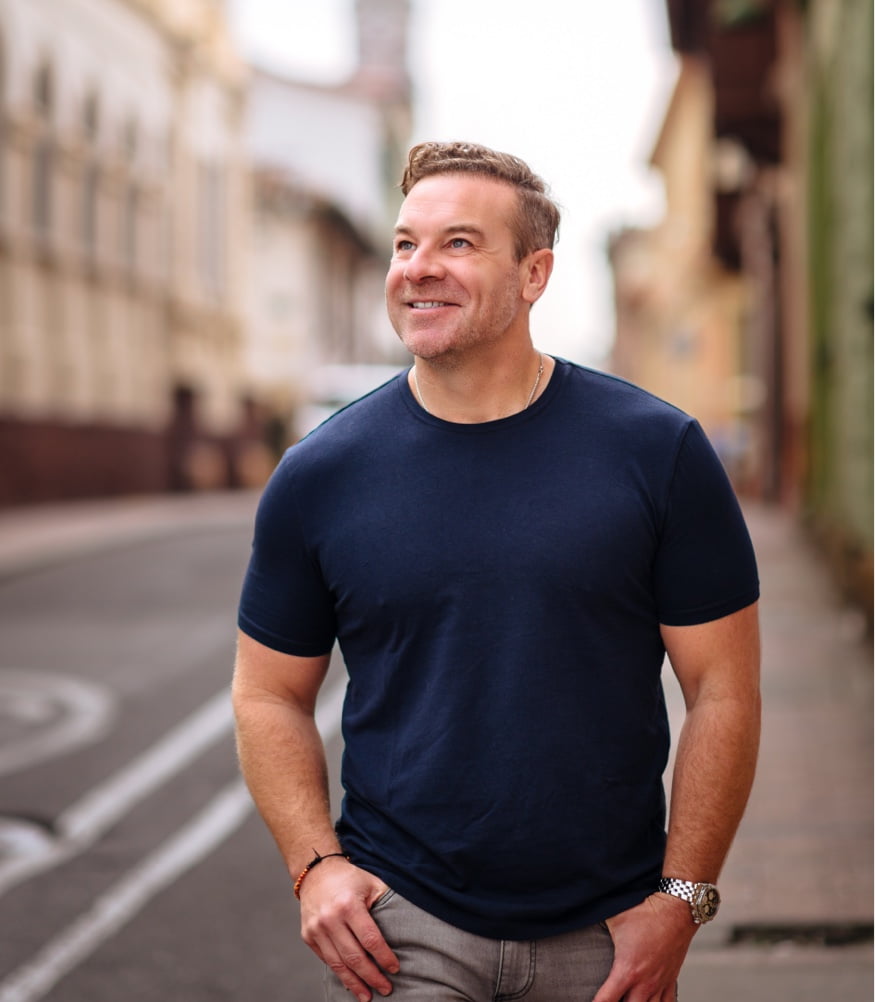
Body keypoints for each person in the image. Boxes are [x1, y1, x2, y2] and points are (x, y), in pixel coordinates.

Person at [232, 140, 761, 1002]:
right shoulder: (320, 474)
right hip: (402, 925)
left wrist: (682, 898)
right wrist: (316, 866)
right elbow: (267, 694)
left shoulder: (655, 452)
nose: (418, 269)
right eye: (405, 244)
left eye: (459, 244)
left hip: (608, 932)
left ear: (534, 274)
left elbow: (724, 691)